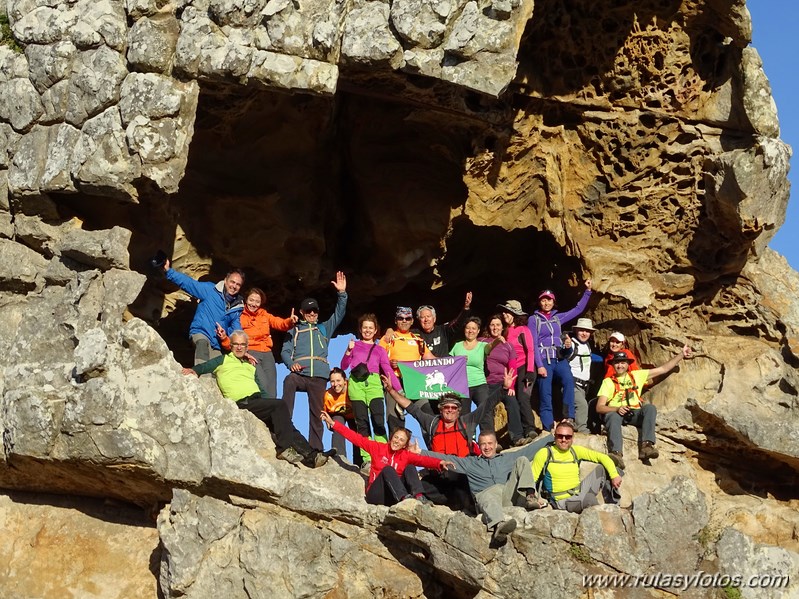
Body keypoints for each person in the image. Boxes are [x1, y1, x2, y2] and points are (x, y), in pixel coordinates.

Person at [182, 330, 328, 468]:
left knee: (285, 422)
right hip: (242, 403)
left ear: (247, 347)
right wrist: (194, 370)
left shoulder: (250, 365)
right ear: (231, 346)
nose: (239, 347)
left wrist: (271, 404)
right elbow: (206, 366)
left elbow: (261, 390)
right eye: (236, 344)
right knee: (280, 405)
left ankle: (312, 457)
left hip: (256, 401)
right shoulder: (224, 360)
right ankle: (283, 449)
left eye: (242, 345)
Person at [382, 370, 512, 510]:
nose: (450, 410)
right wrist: (391, 390)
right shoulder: (432, 423)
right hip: (439, 474)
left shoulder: (466, 422)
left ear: (458, 410)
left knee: (462, 489)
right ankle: (446, 502)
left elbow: (486, 406)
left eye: (453, 407)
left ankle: (463, 504)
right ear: (440, 409)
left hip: (461, 475)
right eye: (446, 407)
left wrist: (503, 389)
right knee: (420, 486)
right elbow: (411, 408)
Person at [423, 431, 554, 546]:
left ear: (496, 444)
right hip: (487, 499)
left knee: (522, 459)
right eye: (483, 444)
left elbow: (530, 449)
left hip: (507, 496)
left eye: (490, 443)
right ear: (479, 446)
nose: (487, 447)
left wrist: (552, 436)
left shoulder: (507, 458)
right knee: (488, 493)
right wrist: (420, 452)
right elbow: (447, 458)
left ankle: (530, 498)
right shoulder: (471, 463)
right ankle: (499, 526)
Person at [321, 412, 453, 506]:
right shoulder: (378, 448)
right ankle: (404, 499)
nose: (397, 441)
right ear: (391, 438)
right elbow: (357, 439)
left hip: (392, 496)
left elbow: (423, 460)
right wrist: (334, 424)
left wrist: (439, 463)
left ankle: (419, 496)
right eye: (396, 437)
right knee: (388, 470)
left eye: (401, 440)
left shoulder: (405, 455)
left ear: (405, 445)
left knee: (410, 467)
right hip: (376, 495)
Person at [281, 271, 348, 451]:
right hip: (300, 373)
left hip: (319, 376)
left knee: (317, 414)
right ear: (302, 313)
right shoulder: (294, 330)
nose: (312, 313)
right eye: (308, 311)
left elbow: (339, 314)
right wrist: (290, 364)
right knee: (289, 380)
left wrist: (342, 294)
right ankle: (284, 425)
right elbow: (285, 351)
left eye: (315, 310)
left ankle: (316, 450)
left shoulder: (323, 329)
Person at [596, 345, 693, 467]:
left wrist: (681, 355)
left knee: (650, 408)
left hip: (634, 412)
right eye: (617, 363)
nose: (620, 366)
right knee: (612, 416)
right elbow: (599, 407)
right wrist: (616, 409)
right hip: (617, 414)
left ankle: (647, 446)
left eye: (623, 363)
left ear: (627, 364)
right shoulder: (608, 382)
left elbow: (663, 369)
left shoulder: (636, 376)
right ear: (613, 365)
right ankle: (616, 454)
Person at [341, 314, 402, 473]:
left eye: (371, 328)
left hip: (374, 384)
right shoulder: (354, 345)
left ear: (376, 331)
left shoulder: (380, 349)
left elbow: (387, 369)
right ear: (360, 330)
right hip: (356, 384)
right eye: (365, 327)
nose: (367, 330)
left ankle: (382, 456)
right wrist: (348, 351)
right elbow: (343, 365)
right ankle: (367, 459)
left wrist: (398, 389)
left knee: (378, 420)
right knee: (362, 422)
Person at [528, 279, 593, 431]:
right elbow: (533, 344)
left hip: (559, 357)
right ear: (540, 302)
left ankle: (568, 416)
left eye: (549, 300)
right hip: (544, 358)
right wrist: (539, 366)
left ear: (553, 302)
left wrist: (587, 292)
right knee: (545, 391)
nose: (546, 303)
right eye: (544, 300)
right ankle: (548, 425)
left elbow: (577, 310)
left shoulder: (558, 317)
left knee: (568, 381)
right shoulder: (534, 319)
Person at [216, 287, 297, 398]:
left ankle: (270, 413)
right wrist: (224, 338)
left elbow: (279, 323)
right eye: (251, 300)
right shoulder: (239, 316)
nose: (254, 304)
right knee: (262, 384)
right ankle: (261, 411)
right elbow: (234, 340)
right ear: (246, 300)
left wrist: (290, 321)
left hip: (267, 353)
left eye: (257, 301)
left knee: (272, 387)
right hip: (251, 353)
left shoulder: (264, 314)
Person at [163, 258, 244, 365]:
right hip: (201, 333)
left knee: (218, 369)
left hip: (216, 343)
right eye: (232, 282)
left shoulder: (237, 307)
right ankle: (199, 376)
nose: (234, 286)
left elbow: (237, 331)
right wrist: (169, 271)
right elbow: (189, 284)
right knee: (202, 349)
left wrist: (243, 348)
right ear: (225, 280)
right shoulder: (210, 290)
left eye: (238, 284)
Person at [531, 420, 622, 513]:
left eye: (568, 437)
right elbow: (532, 479)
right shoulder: (544, 453)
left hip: (579, 492)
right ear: (555, 436)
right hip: (561, 501)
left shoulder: (575, 451)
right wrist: (533, 498)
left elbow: (602, 457)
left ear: (572, 438)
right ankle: (603, 517)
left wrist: (614, 475)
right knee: (589, 500)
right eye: (560, 436)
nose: (564, 440)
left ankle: (614, 509)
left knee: (605, 469)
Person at [379, 307, 435, 433]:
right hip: (394, 381)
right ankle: (396, 452)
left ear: (412, 321)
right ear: (395, 321)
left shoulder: (418, 340)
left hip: (415, 381)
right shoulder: (387, 338)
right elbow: (379, 359)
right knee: (395, 419)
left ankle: (434, 450)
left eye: (407, 318)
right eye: (401, 318)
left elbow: (432, 360)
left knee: (427, 416)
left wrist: (455, 361)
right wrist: (390, 363)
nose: (404, 321)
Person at [482, 315, 525, 446]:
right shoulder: (482, 342)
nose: (495, 328)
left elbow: (513, 366)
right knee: (486, 408)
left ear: (502, 328)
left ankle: (517, 437)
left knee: (513, 403)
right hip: (487, 383)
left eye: (498, 325)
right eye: (492, 325)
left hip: (503, 382)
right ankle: (491, 442)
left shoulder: (508, 346)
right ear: (488, 327)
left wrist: (511, 386)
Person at [498, 301, 538, 440]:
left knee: (523, 397)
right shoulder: (505, 331)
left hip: (525, 368)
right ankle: (518, 432)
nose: (504, 314)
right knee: (512, 400)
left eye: (507, 312)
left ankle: (530, 429)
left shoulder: (523, 329)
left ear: (515, 314)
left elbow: (530, 350)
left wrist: (530, 371)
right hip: (511, 371)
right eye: (503, 312)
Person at [449, 316, 492, 431]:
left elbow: (491, 347)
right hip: (461, 386)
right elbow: (448, 364)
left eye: (474, 328)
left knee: (485, 411)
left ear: (478, 331)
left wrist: (499, 339)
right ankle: (467, 442)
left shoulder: (482, 346)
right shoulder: (457, 346)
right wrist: (459, 360)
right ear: (464, 329)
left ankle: (488, 437)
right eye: (468, 328)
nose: (470, 331)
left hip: (480, 384)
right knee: (464, 415)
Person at [562, 318, 604, 433]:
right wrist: (566, 346)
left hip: (583, 386)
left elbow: (590, 357)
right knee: (582, 405)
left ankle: (575, 428)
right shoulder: (572, 344)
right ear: (576, 331)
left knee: (581, 406)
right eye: (581, 330)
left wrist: (606, 360)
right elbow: (566, 352)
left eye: (587, 331)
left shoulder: (587, 345)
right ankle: (583, 431)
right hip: (572, 384)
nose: (584, 333)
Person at [413, 292, 473, 357]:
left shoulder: (443, 330)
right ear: (419, 320)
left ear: (434, 318)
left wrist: (466, 308)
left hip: (443, 367)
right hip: (423, 367)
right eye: (422, 317)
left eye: (428, 316)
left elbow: (457, 323)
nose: (426, 319)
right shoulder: (414, 334)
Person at [323, 368, 361, 465]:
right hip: (338, 414)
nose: (335, 384)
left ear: (345, 380)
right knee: (337, 422)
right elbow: (323, 411)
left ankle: (360, 462)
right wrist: (327, 421)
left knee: (357, 432)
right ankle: (339, 457)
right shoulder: (328, 395)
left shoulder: (352, 388)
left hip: (354, 414)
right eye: (332, 381)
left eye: (338, 380)